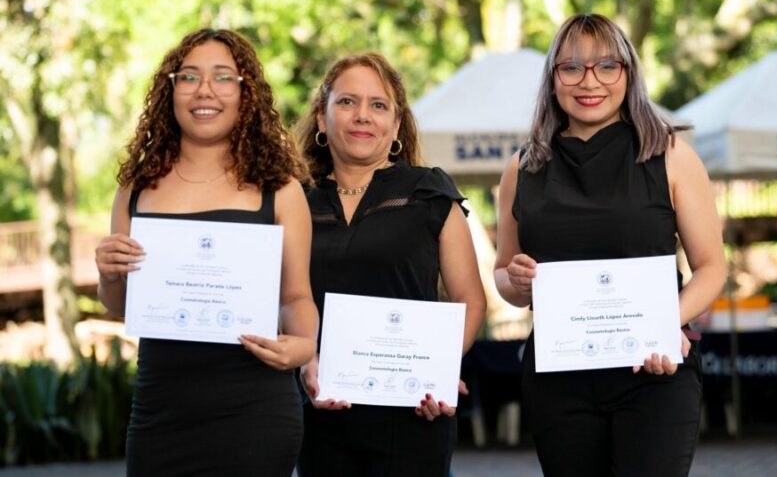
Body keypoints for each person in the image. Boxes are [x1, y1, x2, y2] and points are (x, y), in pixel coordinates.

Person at [494, 14, 726, 477]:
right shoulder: (521, 168)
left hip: (654, 369)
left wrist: (664, 324)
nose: (589, 81)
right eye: (572, 68)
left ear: (628, 73)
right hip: (558, 377)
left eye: (606, 66)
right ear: (553, 79)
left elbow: (712, 268)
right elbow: (504, 275)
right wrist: (516, 281)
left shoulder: (671, 154)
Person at [94, 28, 318, 476]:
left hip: (255, 411)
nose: (205, 91)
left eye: (222, 77)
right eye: (189, 77)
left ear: (244, 93)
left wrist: (303, 347)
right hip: (162, 410)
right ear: (171, 90)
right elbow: (122, 306)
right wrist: (109, 273)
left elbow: (295, 298)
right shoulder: (136, 189)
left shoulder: (280, 190)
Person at [293, 53, 487, 477]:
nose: (363, 116)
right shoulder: (294, 201)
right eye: (347, 102)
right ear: (322, 119)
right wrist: (307, 362)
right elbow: (281, 298)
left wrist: (440, 367)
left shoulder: (429, 193)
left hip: (413, 415)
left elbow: (470, 298)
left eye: (378, 105)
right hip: (320, 411)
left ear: (396, 125)